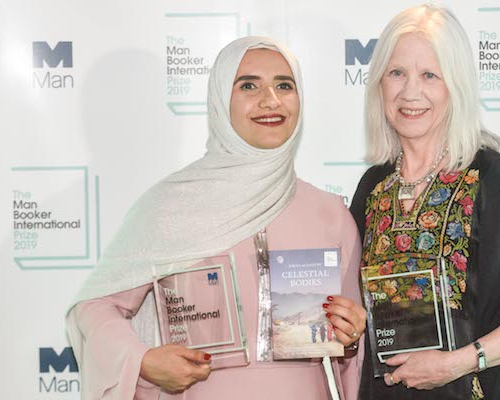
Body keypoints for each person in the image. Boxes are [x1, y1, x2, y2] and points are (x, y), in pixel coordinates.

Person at [66, 36, 366, 399]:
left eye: (284, 85)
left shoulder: (328, 212)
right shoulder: (174, 203)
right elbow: (95, 307)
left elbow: (351, 355)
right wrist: (142, 360)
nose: (270, 100)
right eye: (249, 85)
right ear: (222, 99)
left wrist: (349, 338)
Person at [349, 5, 500, 400]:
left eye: (429, 75)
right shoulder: (372, 188)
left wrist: (456, 363)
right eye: (396, 73)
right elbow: (355, 317)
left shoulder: (486, 176)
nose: (410, 92)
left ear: (456, 85)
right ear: (379, 84)